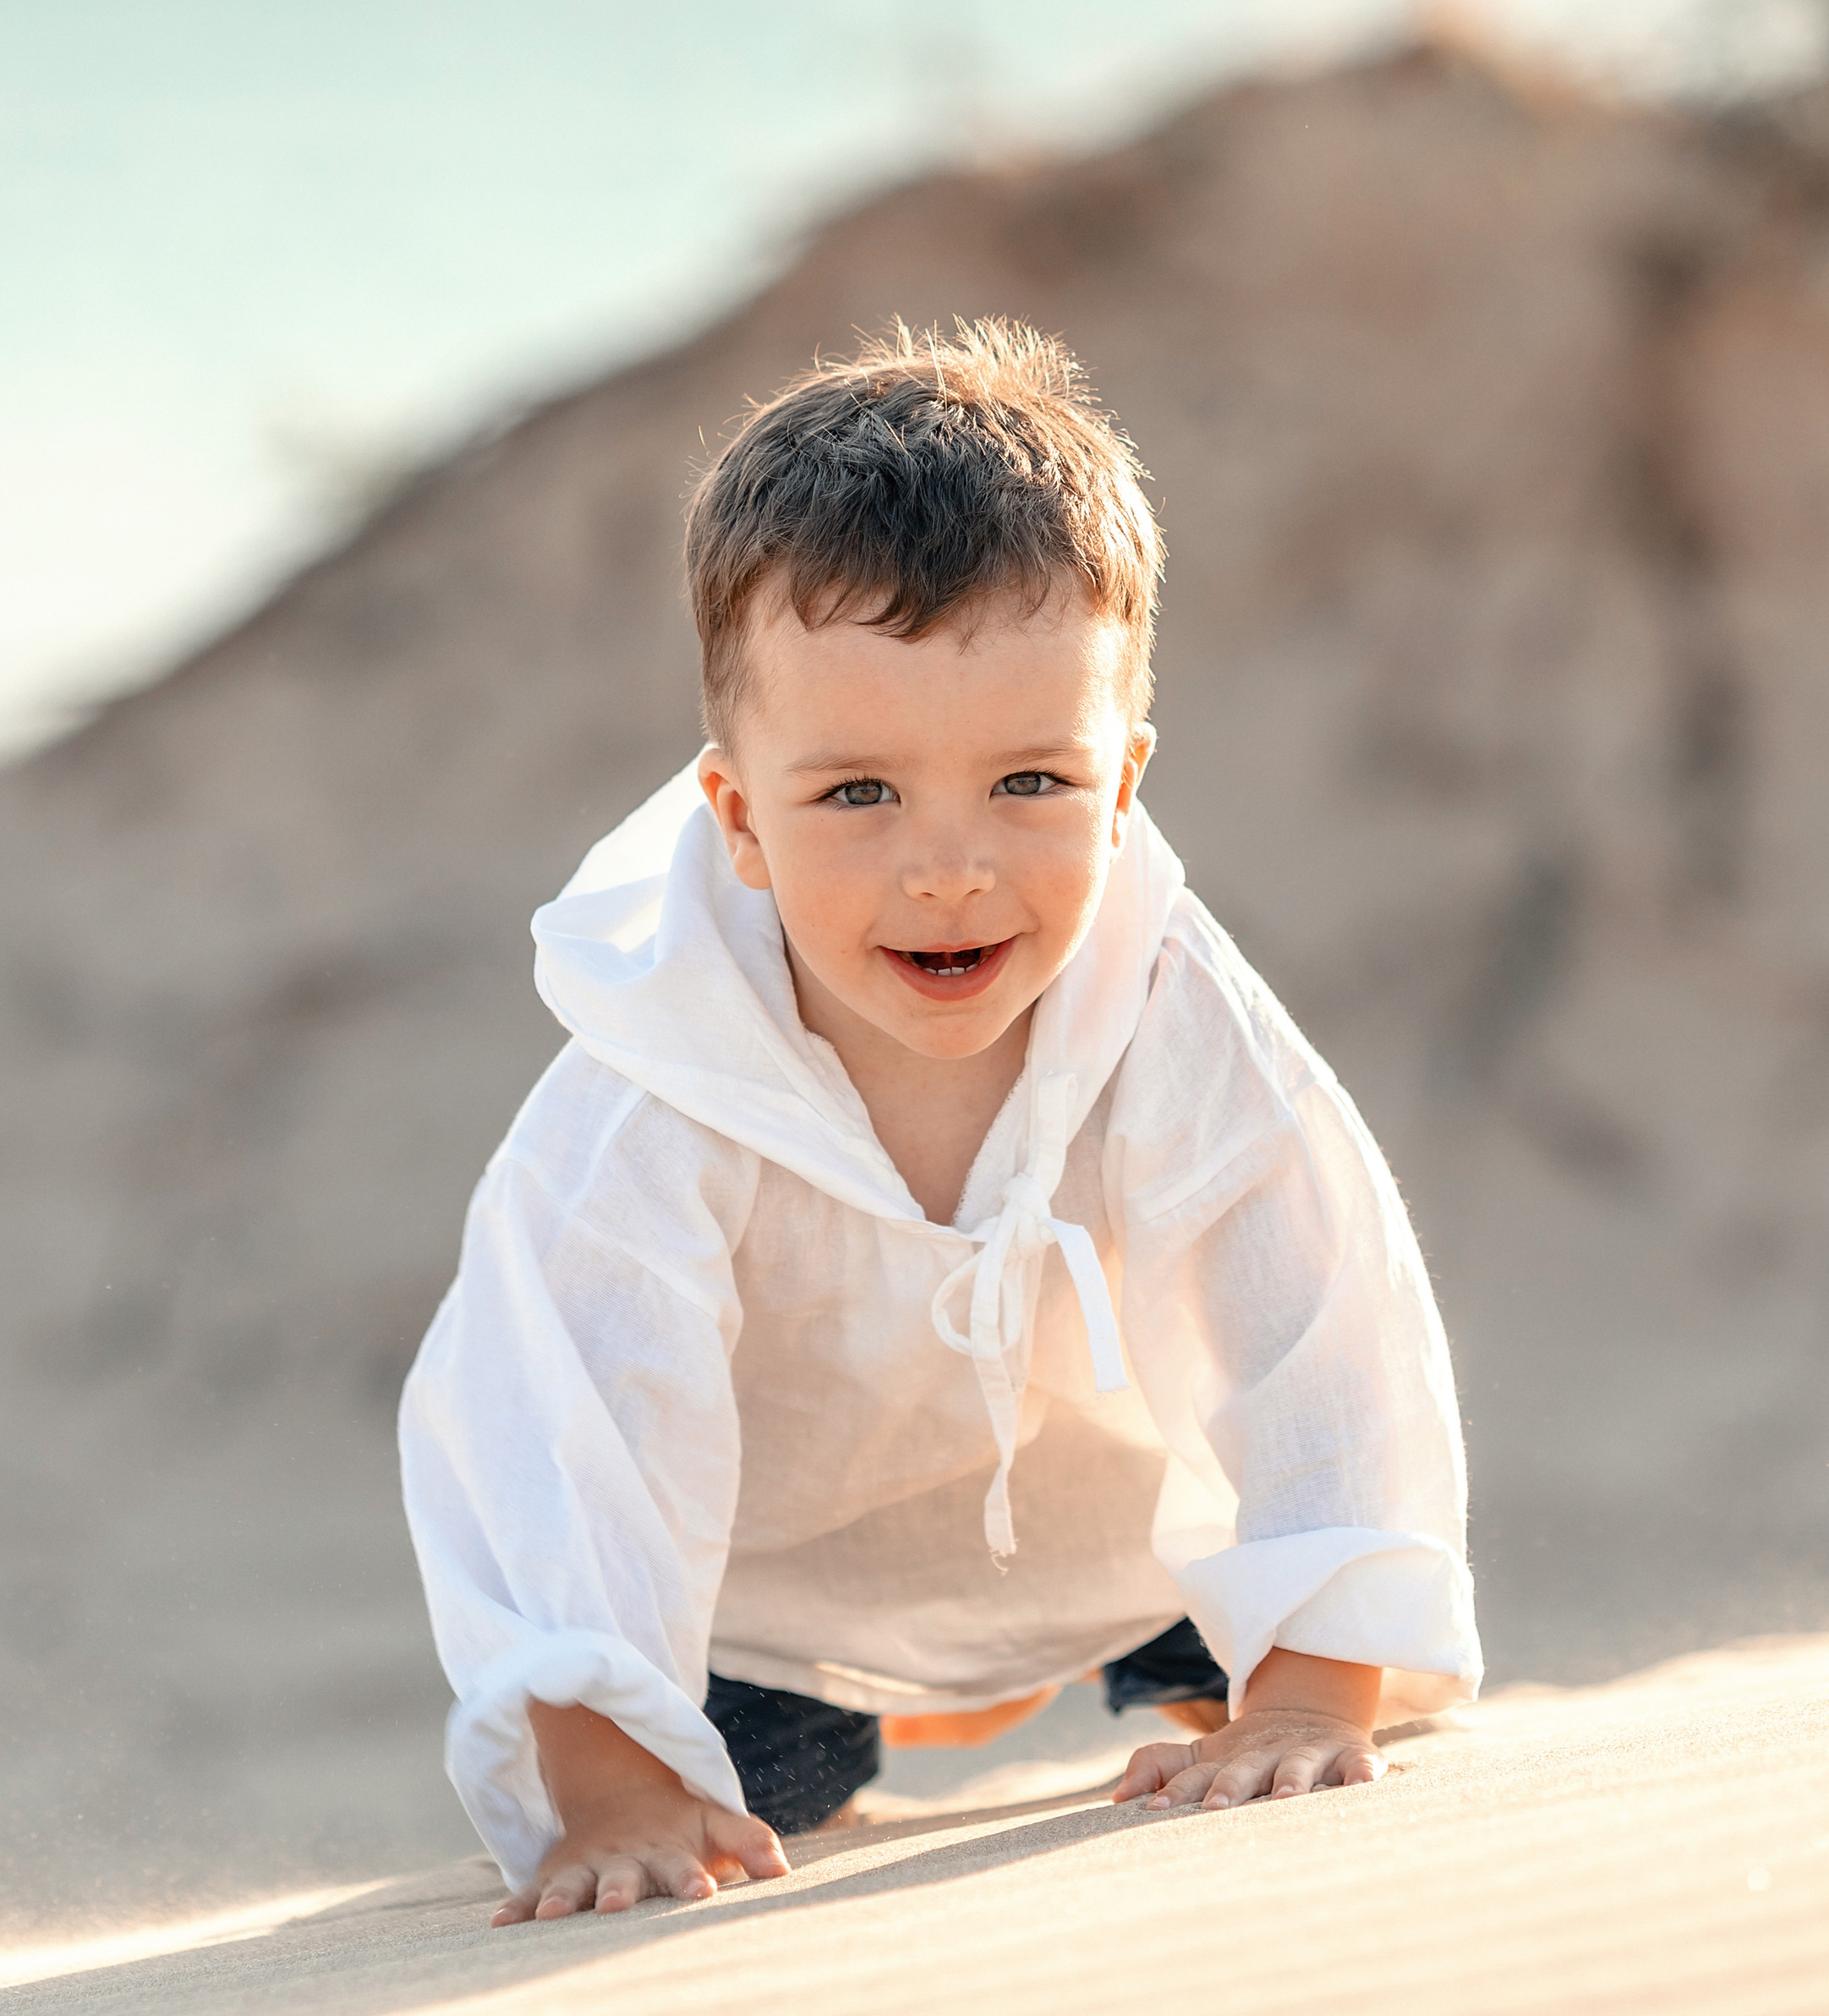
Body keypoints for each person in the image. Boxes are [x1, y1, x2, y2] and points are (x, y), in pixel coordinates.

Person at [398, 320, 1481, 1928]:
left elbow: (1316, 1320)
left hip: (1129, 1557)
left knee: (1309, 1714)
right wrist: (613, 1788)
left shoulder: (1172, 1009)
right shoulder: (654, 1086)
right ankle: (846, 1719)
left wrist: (1311, 1692)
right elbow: (565, 1424)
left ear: (1124, 787)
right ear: (740, 816)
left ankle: (1191, 1677)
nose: (949, 868)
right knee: (717, 1812)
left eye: (1032, 784)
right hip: (781, 1604)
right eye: (857, 795)